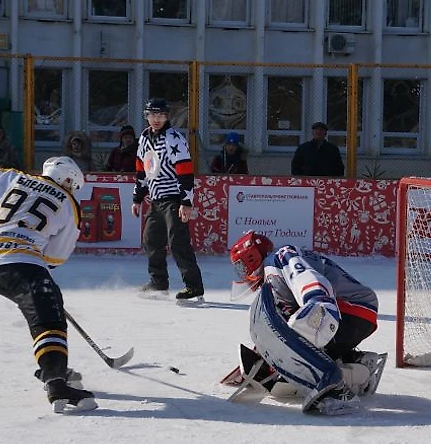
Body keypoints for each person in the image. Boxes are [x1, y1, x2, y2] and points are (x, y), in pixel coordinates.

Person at [0, 156, 96, 413]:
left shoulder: (9, 176)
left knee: (43, 305)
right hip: (21, 261)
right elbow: (55, 258)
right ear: (68, 179)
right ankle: (56, 382)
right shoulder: (68, 202)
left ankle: (51, 364)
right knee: (48, 313)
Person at [227, 231, 385, 415]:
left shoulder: (280, 257)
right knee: (288, 370)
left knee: (300, 349)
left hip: (346, 308)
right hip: (356, 311)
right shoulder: (273, 273)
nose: (242, 272)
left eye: (241, 265)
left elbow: (306, 276)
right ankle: (357, 363)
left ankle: (335, 392)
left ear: (251, 257)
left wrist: (317, 300)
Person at [132, 98, 205, 302]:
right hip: (155, 199)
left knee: (178, 242)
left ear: (167, 117)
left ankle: (194, 287)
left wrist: (186, 202)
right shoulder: (144, 139)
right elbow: (142, 169)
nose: (156, 119)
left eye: (160, 115)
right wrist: (137, 198)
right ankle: (158, 282)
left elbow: (185, 171)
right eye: (152, 115)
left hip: (174, 198)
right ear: (146, 117)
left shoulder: (174, 139)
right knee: (151, 240)